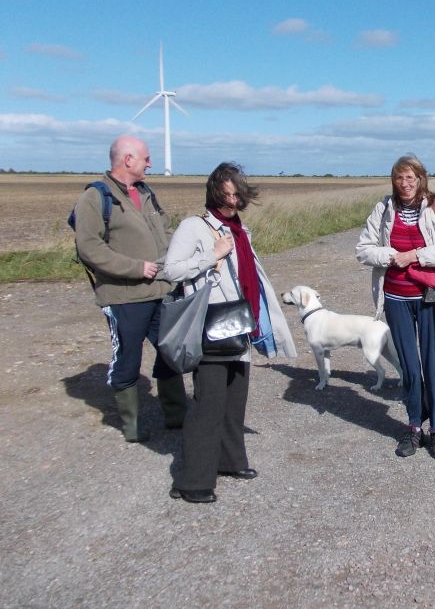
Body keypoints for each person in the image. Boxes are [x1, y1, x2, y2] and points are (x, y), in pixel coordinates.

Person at [162, 162, 296, 503]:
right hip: (211, 327)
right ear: (214, 193)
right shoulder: (194, 227)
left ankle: (229, 461)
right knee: (208, 405)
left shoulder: (239, 230)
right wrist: (212, 255)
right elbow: (171, 271)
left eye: (237, 195)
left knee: (235, 401)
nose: (232, 201)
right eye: (226, 195)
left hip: (239, 324)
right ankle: (193, 481)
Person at [72, 135, 186, 442]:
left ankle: (178, 415)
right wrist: (136, 268)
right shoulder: (95, 197)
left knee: (171, 352)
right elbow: (89, 248)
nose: (151, 163)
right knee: (128, 359)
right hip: (124, 296)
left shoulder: (147, 192)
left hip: (161, 290)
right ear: (128, 160)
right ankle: (132, 427)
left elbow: (165, 232)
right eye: (146, 158)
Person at [356, 155, 435, 459]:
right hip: (396, 298)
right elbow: (363, 249)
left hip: (429, 296)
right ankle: (415, 425)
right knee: (409, 366)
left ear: (420, 179)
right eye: (399, 178)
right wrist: (390, 256)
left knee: (433, 364)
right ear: (393, 180)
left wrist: (415, 255)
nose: (405, 183)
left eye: (411, 177)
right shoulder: (383, 209)